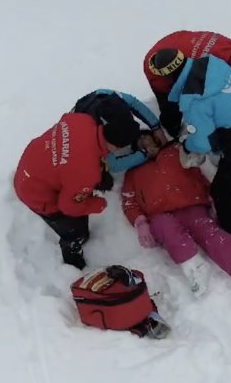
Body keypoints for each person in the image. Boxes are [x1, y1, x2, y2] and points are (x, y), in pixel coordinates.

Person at [120, 133, 231, 308]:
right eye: (143, 145)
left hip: (192, 207)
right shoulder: (133, 173)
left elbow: (197, 175)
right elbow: (129, 201)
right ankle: (193, 267)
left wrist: (209, 197)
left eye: (151, 142)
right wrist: (140, 222)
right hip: (159, 216)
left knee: (215, 238)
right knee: (167, 230)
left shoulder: (175, 153)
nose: (149, 147)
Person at [148, 48, 231, 239]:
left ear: (167, 75)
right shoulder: (212, 63)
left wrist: (187, 146)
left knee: (220, 191)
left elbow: (202, 144)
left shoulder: (195, 100)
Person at [14, 111, 141, 269]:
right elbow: (68, 206)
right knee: (75, 228)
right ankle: (72, 258)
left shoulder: (83, 119)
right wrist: (97, 204)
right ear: (116, 146)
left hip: (33, 161)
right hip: (34, 192)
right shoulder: (86, 173)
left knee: (76, 186)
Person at [143, 30, 231, 137]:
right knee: (172, 104)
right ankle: (171, 130)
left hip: (175, 41)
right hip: (157, 66)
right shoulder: (211, 67)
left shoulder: (229, 44)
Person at [71, 88, 167, 176]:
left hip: (95, 100)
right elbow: (113, 165)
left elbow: (134, 103)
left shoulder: (112, 97)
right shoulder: (91, 136)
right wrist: (144, 154)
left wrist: (156, 127)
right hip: (77, 126)